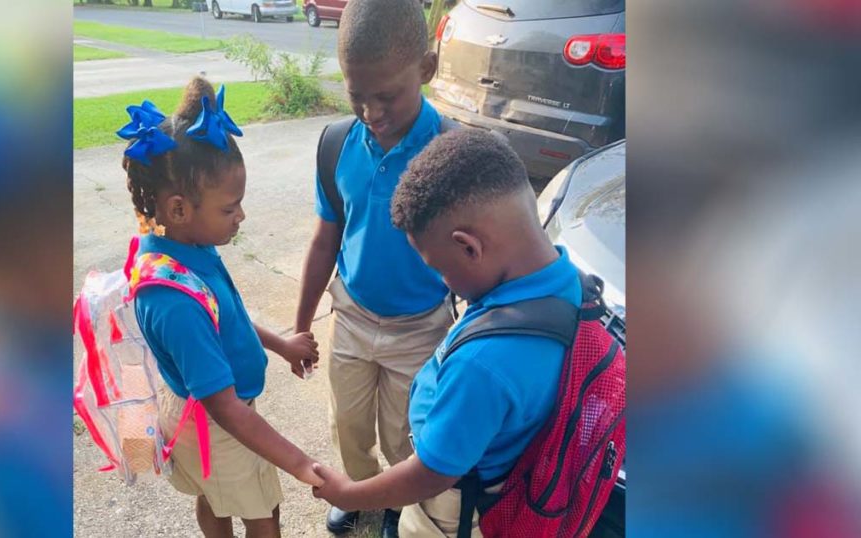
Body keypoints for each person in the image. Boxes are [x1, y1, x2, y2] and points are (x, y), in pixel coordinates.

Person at [312, 129, 582, 538]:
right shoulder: (569, 282)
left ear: (470, 247)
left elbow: (432, 474)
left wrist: (351, 494)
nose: (445, 282)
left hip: (452, 510)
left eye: (440, 268)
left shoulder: (484, 366)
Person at [122, 76, 323, 538]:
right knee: (264, 515)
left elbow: (227, 315)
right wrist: (300, 463)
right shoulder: (173, 303)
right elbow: (228, 409)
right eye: (230, 209)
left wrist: (281, 344)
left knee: (211, 496)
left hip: (195, 411)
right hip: (219, 426)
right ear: (178, 209)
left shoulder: (185, 248)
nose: (241, 217)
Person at [292, 1, 456, 536]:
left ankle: (406, 508)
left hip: (421, 328)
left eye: (386, 95)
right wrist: (300, 324)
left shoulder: (452, 153)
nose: (371, 111)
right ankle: (366, 498)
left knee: (406, 436)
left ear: (426, 71)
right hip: (354, 318)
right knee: (350, 425)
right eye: (355, 94)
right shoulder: (338, 144)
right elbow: (325, 238)